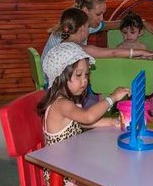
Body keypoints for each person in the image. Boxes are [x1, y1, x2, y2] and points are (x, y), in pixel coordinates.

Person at [38, 42, 130, 186]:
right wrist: (112, 97)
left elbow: (81, 122)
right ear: (60, 77)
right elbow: (87, 117)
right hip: (61, 176)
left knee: (106, 163)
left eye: (86, 74)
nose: (85, 80)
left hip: (71, 165)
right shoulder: (61, 104)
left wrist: (111, 122)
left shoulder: (68, 101)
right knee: (109, 170)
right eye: (78, 75)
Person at [43, 0, 153, 55]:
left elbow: (115, 24)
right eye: (98, 14)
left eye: (103, 14)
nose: (101, 18)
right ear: (85, 11)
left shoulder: (85, 25)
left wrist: (141, 22)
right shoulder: (68, 35)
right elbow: (111, 52)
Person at [44, 8, 153, 63]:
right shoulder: (80, 48)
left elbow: (114, 52)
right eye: (88, 27)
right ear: (82, 28)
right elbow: (113, 53)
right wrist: (142, 52)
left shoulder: (60, 46)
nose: (89, 29)